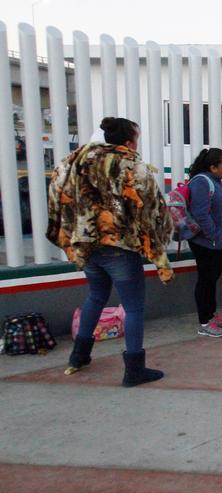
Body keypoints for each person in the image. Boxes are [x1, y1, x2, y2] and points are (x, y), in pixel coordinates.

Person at [47, 117, 173, 387]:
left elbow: (57, 192)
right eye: (136, 139)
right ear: (128, 142)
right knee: (134, 307)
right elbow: (152, 208)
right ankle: (134, 370)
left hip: (87, 245)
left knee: (96, 296)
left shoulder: (76, 160)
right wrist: (159, 240)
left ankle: (78, 357)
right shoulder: (131, 165)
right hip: (119, 247)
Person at [186, 148, 222, 338]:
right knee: (206, 280)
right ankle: (204, 322)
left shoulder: (215, 182)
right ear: (213, 167)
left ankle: (211, 314)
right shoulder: (201, 182)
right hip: (206, 243)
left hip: (217, 243)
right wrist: (213, 235)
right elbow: (200, 213)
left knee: (212, 279)